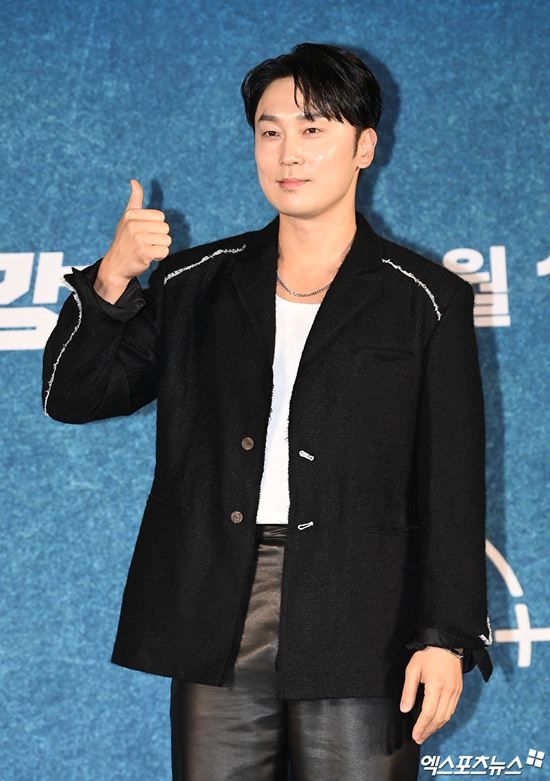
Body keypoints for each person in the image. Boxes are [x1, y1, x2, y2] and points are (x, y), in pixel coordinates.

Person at [42, 42, 493, 780]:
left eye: (314, 129)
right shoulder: (195, 283)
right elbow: (73, 396)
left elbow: (452, 483)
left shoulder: (425, 297)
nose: (289, 152)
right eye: (270, 130)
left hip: (366, 614)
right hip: (220, 604)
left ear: (364, 147)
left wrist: (445, 635)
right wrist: (112, 278)